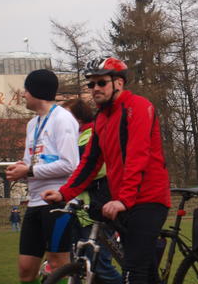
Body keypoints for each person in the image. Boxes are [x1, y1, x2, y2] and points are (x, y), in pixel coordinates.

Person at [42, 57, 171, 283]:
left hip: (148, 199)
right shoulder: (101, 118)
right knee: (147, 272)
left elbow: (137, 157)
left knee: (133, 271)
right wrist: (64, 193)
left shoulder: (138, 107)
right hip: (124, 201)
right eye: (91, 84)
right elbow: (90, 162)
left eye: (101, 83)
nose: (95, 89)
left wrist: (123, 199)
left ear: (119, 83)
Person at [5, 69, 80, 283]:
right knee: (26, 270)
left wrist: (29, 171)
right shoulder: (33, 124)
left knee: (58, 265)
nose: (24, 95)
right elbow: (30, 163)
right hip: (35, 202)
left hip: (58, 201)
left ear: (37, 91)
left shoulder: (63, 119)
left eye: (26, 90)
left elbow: (70, 164)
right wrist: (20, 170)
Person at [62, 98, 122, 284]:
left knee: (100, 268)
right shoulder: (72, 138)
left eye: (66, 116)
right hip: (76, 210)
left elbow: (96, 170)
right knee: (77, 267)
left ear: (78, 118)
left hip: (94, 208)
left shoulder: (91, 136)